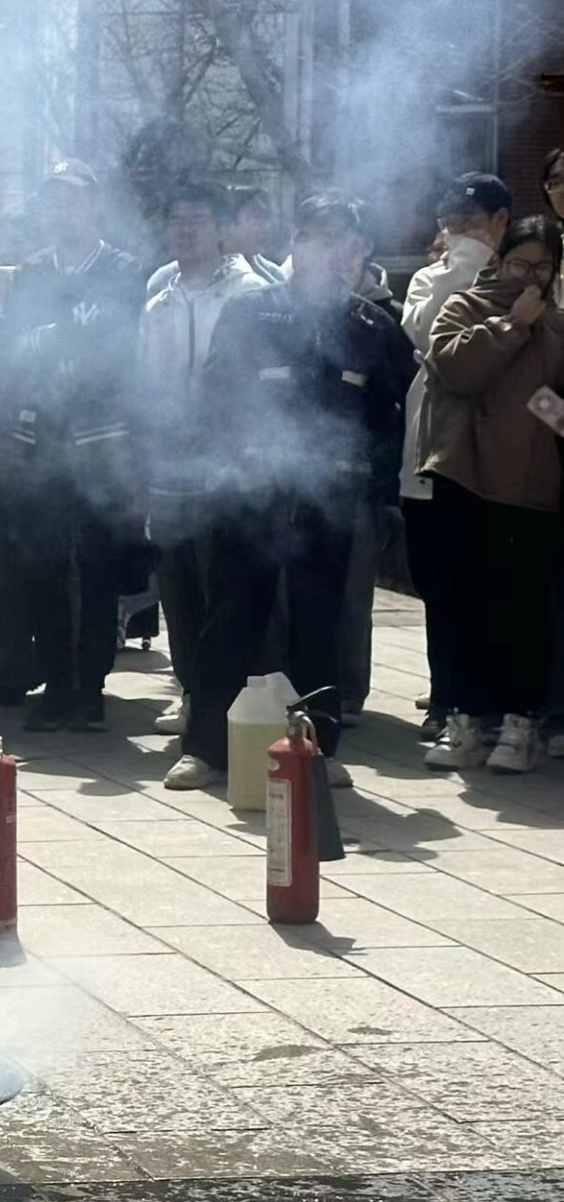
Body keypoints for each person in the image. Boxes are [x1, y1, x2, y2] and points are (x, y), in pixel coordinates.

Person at [166, 193, 413, 792]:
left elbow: (390, 418)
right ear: (296, 244)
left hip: (329, 500)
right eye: (317, 238)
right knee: (231, 620)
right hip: (250, 495)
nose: (331, 254)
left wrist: (374, 487)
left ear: (359, 251)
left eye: (344, 242)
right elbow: (215, 399)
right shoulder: (252, 312)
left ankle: (318, 749)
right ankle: (207, 750)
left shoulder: (373, 326)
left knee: (321, 626)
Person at [0, 161, 147, 732]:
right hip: (42, 442)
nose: (64, 210)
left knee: (97, 568)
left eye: (74, 199)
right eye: (54, 200)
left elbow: (126, 351)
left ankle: (91, 687)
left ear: (94, 203)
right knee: (44, 567)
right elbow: (12, 354)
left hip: (102, 442)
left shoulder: (123, 271)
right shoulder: (30, 274)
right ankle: (57, 684)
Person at [414, 216, 564, 773]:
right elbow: (456, 369)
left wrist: (540, 413)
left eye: (544, 268)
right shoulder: (465, 307)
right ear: (500, 260)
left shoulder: (558, 326)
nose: (531, 277)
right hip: (465, 477)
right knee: (462, 606)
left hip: (530, 485)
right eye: (521, 263)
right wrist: (512, 324)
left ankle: (519, 724)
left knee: (522, 609)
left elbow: (553, 402)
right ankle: (466, 722)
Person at [136, 182, 263, 737]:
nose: (185, 231)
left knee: (226, 589)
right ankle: (192, 692)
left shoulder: (250, 294)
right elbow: (146, 388)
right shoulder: (158, 303)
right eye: (176, 221)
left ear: (222, 229)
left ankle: (229, 705)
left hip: (230, 464)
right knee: (179, 587)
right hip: (170, 464)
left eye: (197, 220)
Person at [398, 174, 513, 742]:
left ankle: (492, 700)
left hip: (499, 458)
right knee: (439, 585)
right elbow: (425, 331)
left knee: (493, 585)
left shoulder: (522, 274)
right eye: (450, 225)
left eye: (471, 223)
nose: (458, 235)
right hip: (432, 456)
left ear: (501, 221)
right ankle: (448, 697)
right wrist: (463, 262)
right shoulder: (429, 278)